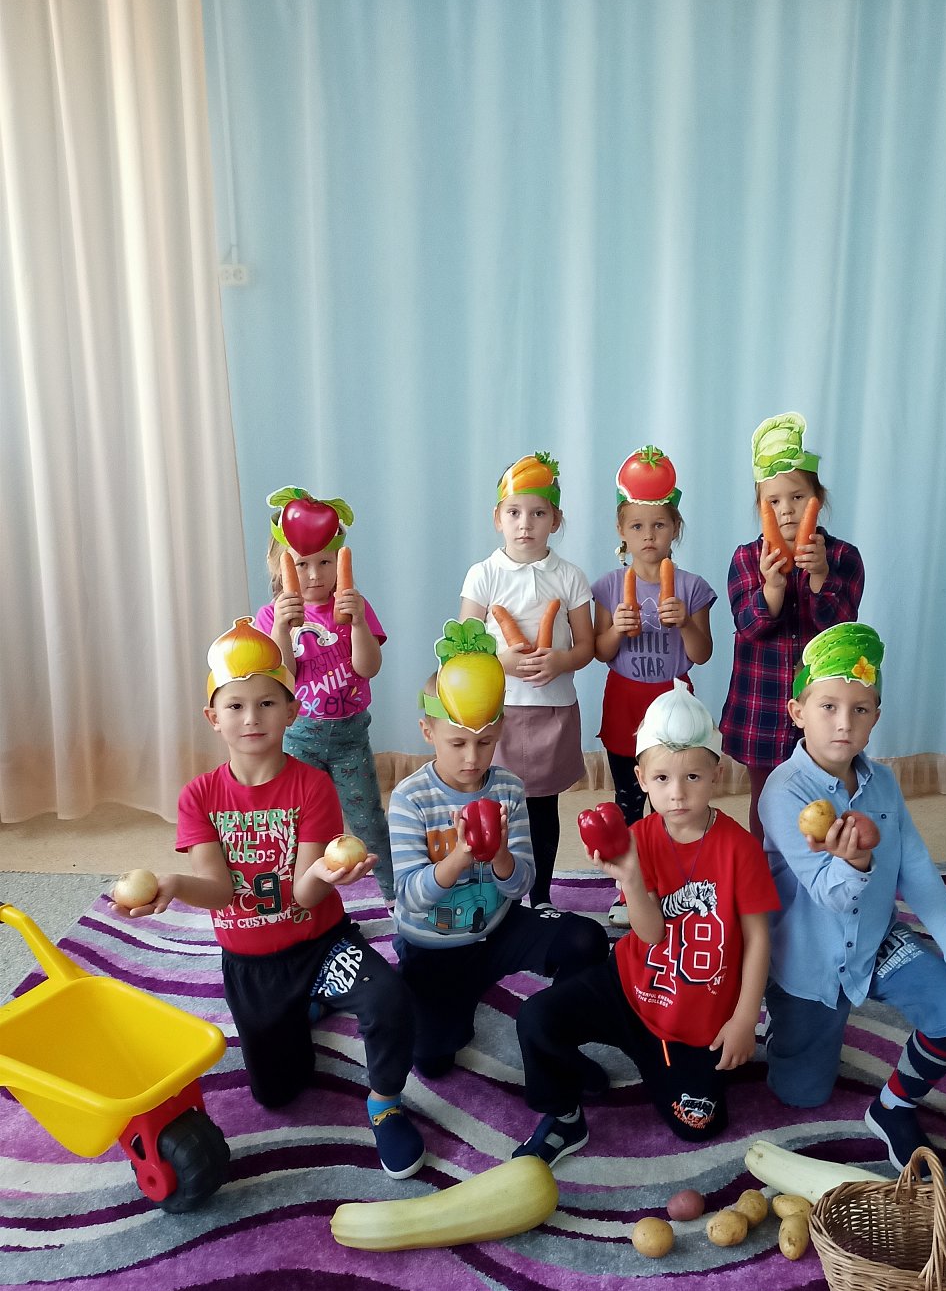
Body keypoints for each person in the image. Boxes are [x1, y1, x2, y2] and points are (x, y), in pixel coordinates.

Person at [117, 617, 423, 1179]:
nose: (251, 718)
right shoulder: (199, 796)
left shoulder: (312, 785)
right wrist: (174, 884)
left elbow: (304, 894)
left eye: (266, 704)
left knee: (390, 1001)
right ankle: (307, 1005)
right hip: (253, 964)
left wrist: (328, 874)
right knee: (277, 1094)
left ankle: (385, 1102)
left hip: (321, 946)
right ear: (213, 718)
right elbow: (220, 890)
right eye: (235, 706)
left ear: (291, 711)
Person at [759, 622, 946, 1171]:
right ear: (797, 712)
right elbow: (830, 894)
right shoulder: (783, 791)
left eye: (860, 709)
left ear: (876, 717)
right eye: (828, 707)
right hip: (807, 964)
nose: (844, 722)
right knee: (800, 1094)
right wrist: (856, 862)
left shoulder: (883, 784)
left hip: (875, 941)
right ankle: (788, 1027)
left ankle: (892, 1107)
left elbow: (920, 875)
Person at [511, 683, 778, 1167]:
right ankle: (566, 1115)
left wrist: (745, 1019)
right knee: (535, 1019)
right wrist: (631, 878)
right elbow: (651, 933)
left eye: (692, 776)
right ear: (641, 778)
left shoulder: (740, 849)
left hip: (691, 1020)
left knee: (698, 1125)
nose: (677, 793)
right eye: (662, 778)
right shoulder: (637, 836)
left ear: (717, 773)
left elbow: (759, 937)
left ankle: (659, 1062)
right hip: (628, 989)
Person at [389, 623, 609, 1081]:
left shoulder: (508, 787)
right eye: (458, 743)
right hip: (433, 945)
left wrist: (502, 856)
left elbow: (522, 884)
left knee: (586, 939)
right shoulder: (411, 798)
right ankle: (441, 997)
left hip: (496, 929)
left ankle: (552, 1027)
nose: (472, 758)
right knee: (432, 1061)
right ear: (428, 731)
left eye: (485, 742)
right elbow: (409, 897)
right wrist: (459, 858)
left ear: (501, 730)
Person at [720, 412, 864, 841]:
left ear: (818, 499)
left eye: (798, 496)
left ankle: (820, 867)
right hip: (762, 706)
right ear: (761, 508)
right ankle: (766, 869)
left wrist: (819, 577)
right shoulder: (746, 559)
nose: (786, 509)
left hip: (824, 708)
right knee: (766, 801)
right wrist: (772, 587)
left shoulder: (843, 558)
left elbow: (840, 631)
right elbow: (748, 626)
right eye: (774, 502)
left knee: (824, 797)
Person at [460, 452, 595, 912]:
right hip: (496, 711)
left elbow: (586, 647)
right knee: (495, 807)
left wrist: (561, 661)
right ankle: (498, 895)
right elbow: (463, 647)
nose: (525, 524)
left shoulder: (570, 577)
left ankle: (540, 898)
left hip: (552, 711)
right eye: (515, 512)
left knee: (542, 808)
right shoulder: (483, 575)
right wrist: (500, 660)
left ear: (555, 520)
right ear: (497, 518)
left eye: (538, 513)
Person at [255, 485, 394, 902]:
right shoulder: (270, 616)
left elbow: (368, 668)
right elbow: (281, 679)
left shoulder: (354, 607)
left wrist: (358, 624)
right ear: (281, 567)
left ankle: (393, 894)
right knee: (305, 823)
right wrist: (282, 629)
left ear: (339, 562)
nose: (315, 575)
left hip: (351, 736)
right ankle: (305, 896)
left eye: (325, 563)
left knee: (368, 820)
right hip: (298, 738)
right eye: (302, 564)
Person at [593, 445, 716, 829]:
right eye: (637, 526)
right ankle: (633, 865)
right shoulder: (608, 586)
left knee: (675, 797)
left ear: (675, 528)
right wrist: (616, 629)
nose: (648, 535)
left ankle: (672, 858)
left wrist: (685, 623)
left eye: (659, 525)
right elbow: (600, 651)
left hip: (674, 698)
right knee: (629, 799)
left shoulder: (692, 587)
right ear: (621, 531)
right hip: (624, 698)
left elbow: (703, 653)